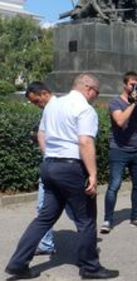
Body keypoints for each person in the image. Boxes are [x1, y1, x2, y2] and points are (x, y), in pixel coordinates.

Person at [5, 73, 119, 280]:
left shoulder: (53, 106)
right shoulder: (85, 110)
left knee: (44, 218)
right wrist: (93, 174)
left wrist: (51, 157)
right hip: (72, 168)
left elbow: (42, 135)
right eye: (97, 92)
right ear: (89, 88)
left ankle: (18, 263)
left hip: (49, 166)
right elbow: (85, 142)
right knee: (86, 220)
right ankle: (90, 267)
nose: (96, 96)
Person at [101, 71, 137, 234]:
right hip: (118, 150)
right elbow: (119, 121)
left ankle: (136, 217)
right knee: (114, 185)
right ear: (125, 85)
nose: (135, 87)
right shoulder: (115, 102)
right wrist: (132, 103)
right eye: (132, 84)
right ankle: (108, 220)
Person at [25, 82, 76, 255]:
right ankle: (46, 245)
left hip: (63, 167)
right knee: (43, 208)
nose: (36, 105)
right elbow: (41, 134)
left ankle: (87, 240)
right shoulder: (50, 109)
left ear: (45, 93)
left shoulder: (60, 107)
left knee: (74, 210)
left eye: (36, 101)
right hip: (52, 167)